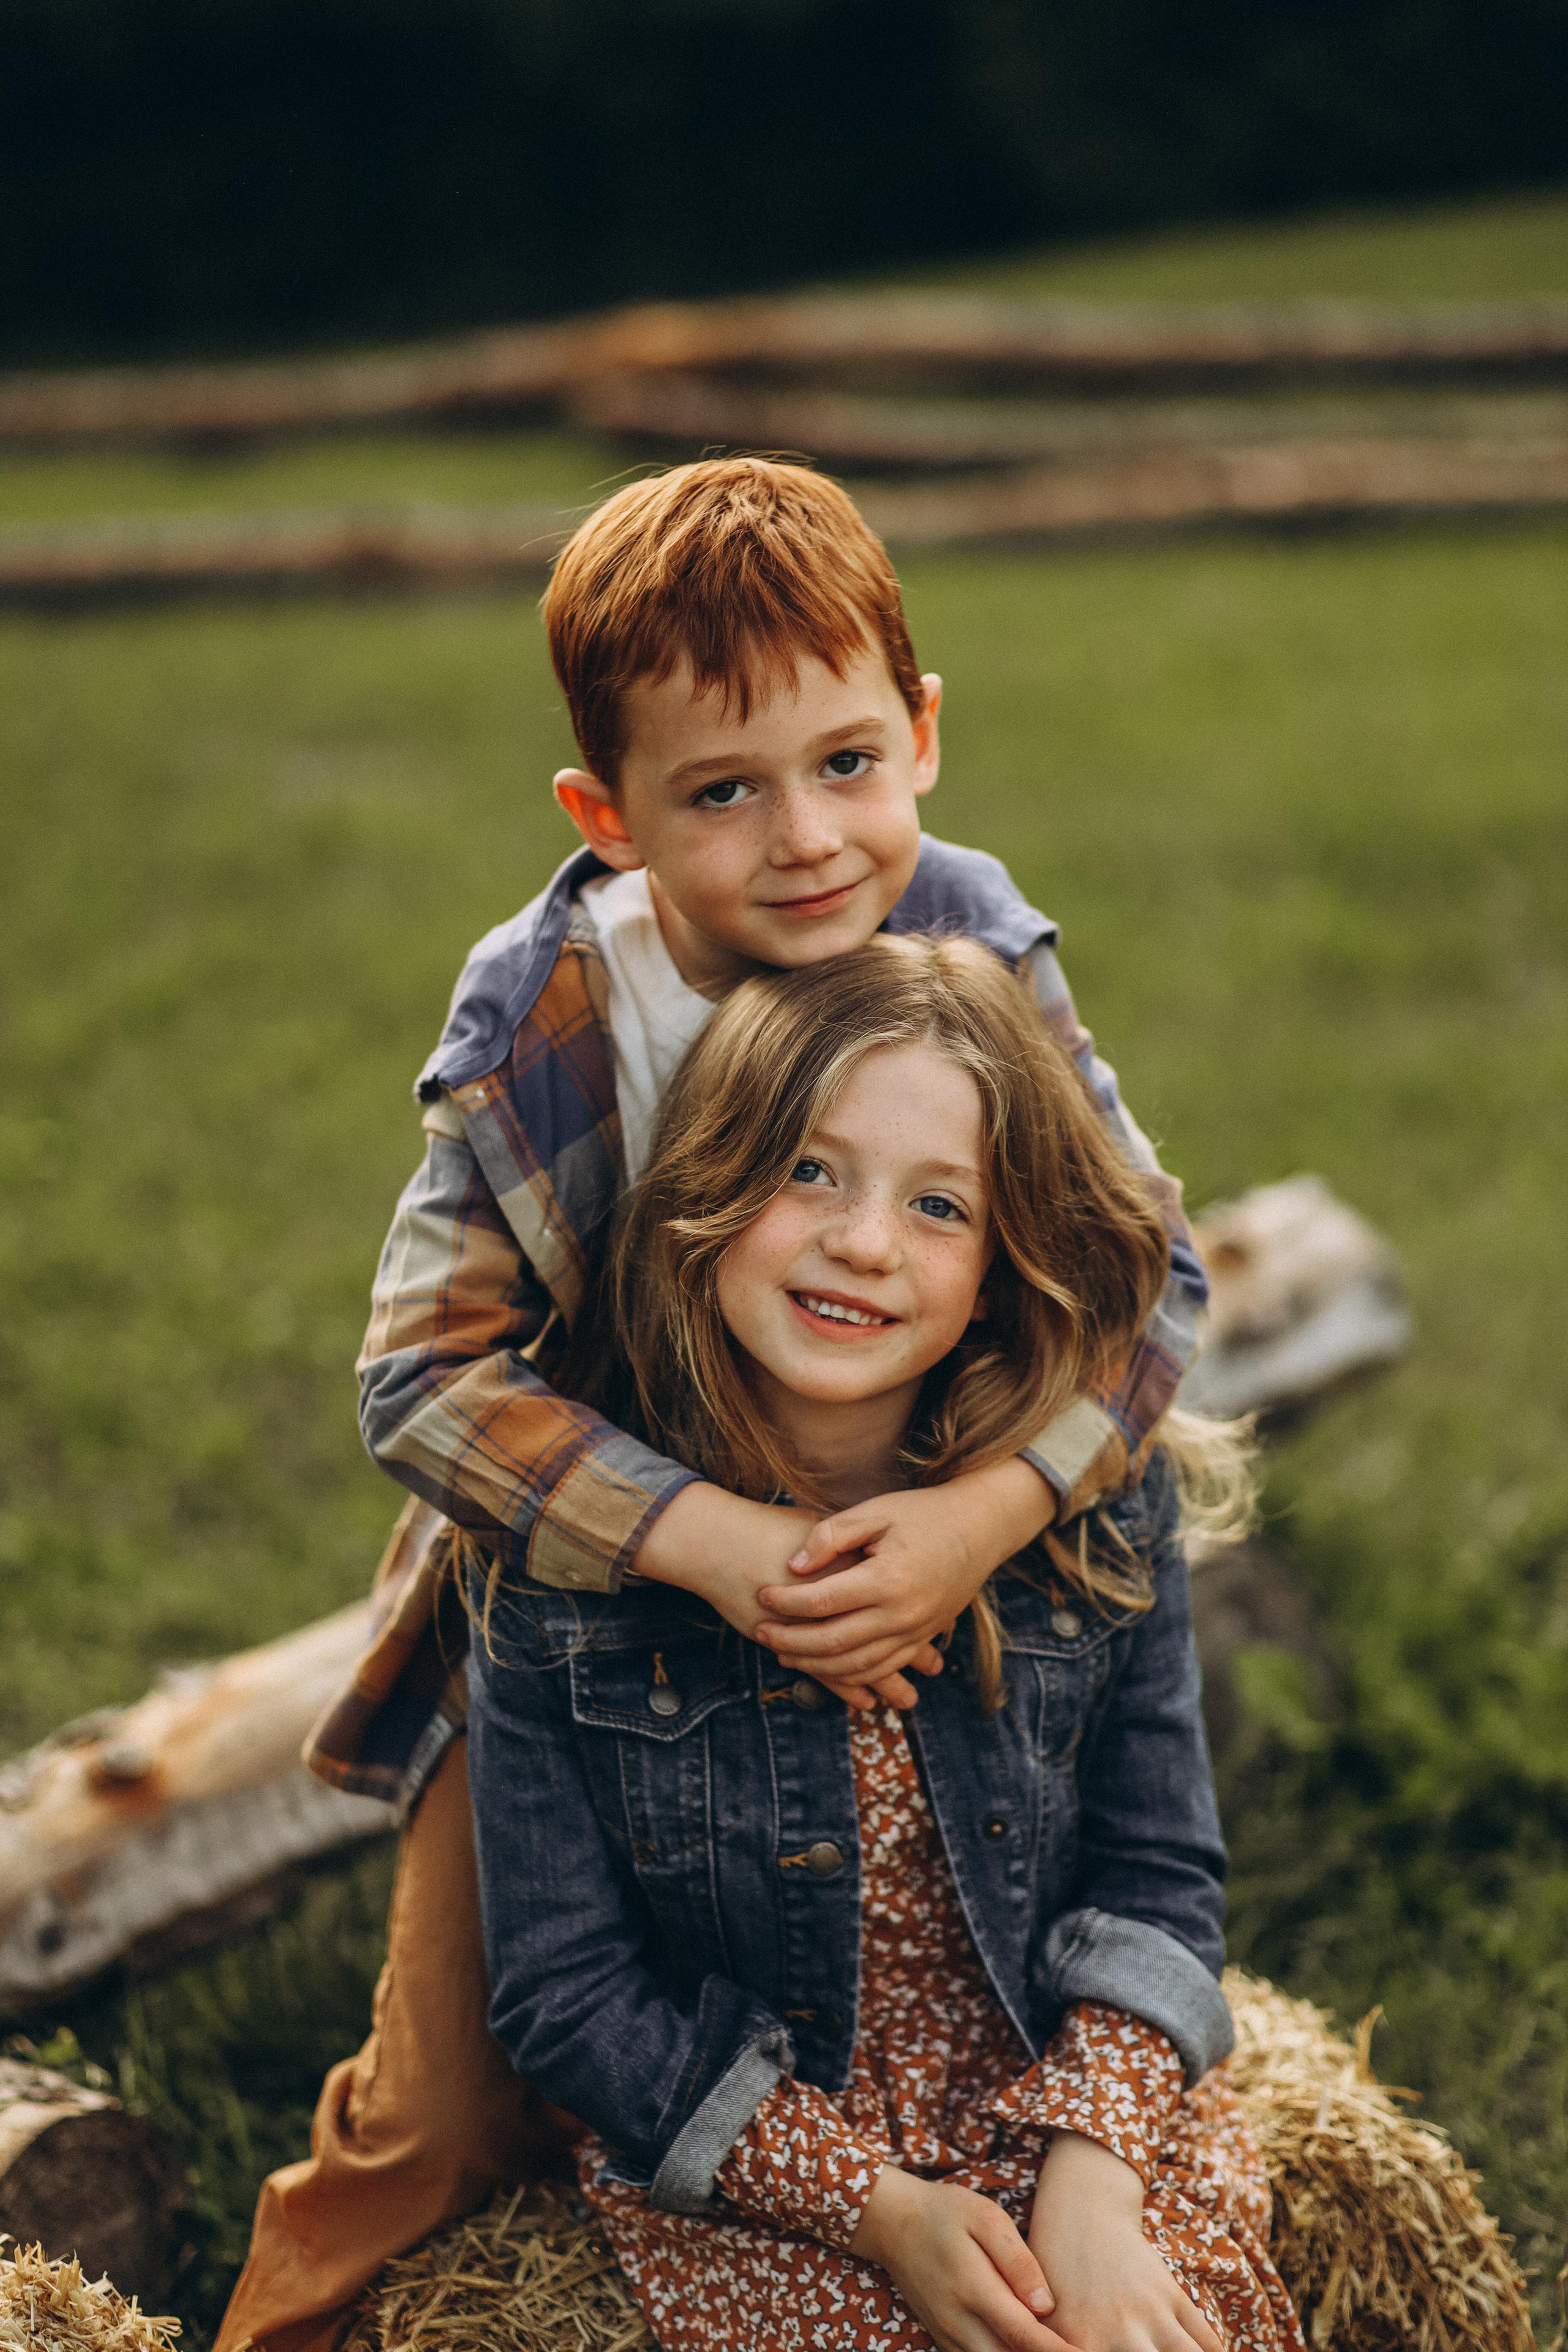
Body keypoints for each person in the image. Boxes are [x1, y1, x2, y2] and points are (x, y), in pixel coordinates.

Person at [217, 460, 1210, 2351]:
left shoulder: (976, 936)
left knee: (931, 1994)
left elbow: (1149, 1271)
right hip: (596, 1612)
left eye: (847, 762)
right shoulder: (552, 1015)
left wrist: (983, 1518)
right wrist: (724, 1550)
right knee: (454, 2107)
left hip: (918, 1530)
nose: (808, 838)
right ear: (611, 816)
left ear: (922, 733)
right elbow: (422, 1378)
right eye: (722, 791)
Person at [468, 934, 1298, 2352]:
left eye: (935, 1205)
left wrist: (1089, 2192)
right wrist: (872, 2208)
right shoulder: (565, 1568)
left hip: (1062, 2102)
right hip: (766, 2160)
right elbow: (564, 1994)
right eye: (808, 1170)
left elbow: (1158, 1873)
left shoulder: (1092, 1514)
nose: (863, 1241)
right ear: (704, 1192)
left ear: (998, 1268)